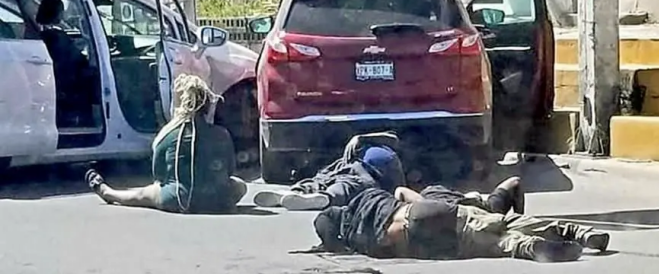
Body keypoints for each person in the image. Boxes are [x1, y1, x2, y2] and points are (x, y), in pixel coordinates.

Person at [303, 187, 610, 262]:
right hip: (418, 212)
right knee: (503, 221)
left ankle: (531, 248)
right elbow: (403, 194)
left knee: (493, 244)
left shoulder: (358, 240)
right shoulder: (366, 199)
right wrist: (424, 203)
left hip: (409, 240)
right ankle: (579, 232)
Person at [84, 74, 249, 214]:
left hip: (177, 199)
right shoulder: (222, 134)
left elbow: (159, 175)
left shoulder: (167, 135)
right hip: (220, 202)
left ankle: (110, 193)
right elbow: (229, 170)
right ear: (207, 106)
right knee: (240, 185)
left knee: (147, 192)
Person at [254, 131, 405, 211]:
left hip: (377, 172)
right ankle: (298, 192)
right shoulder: (375, 142)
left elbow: (393, 139)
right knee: (325, 177)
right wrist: (361, 138)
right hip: (352, 161)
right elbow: (390, 137)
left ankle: (322, 197)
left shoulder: (396, 155)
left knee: (348, 184)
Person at [395, 176, 525, 215]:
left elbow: (400, 191)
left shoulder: (424, 199)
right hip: (482, 212)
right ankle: (518, 220)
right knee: (515, 181)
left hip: (463, 210)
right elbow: (400, 190)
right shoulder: (426, 198)